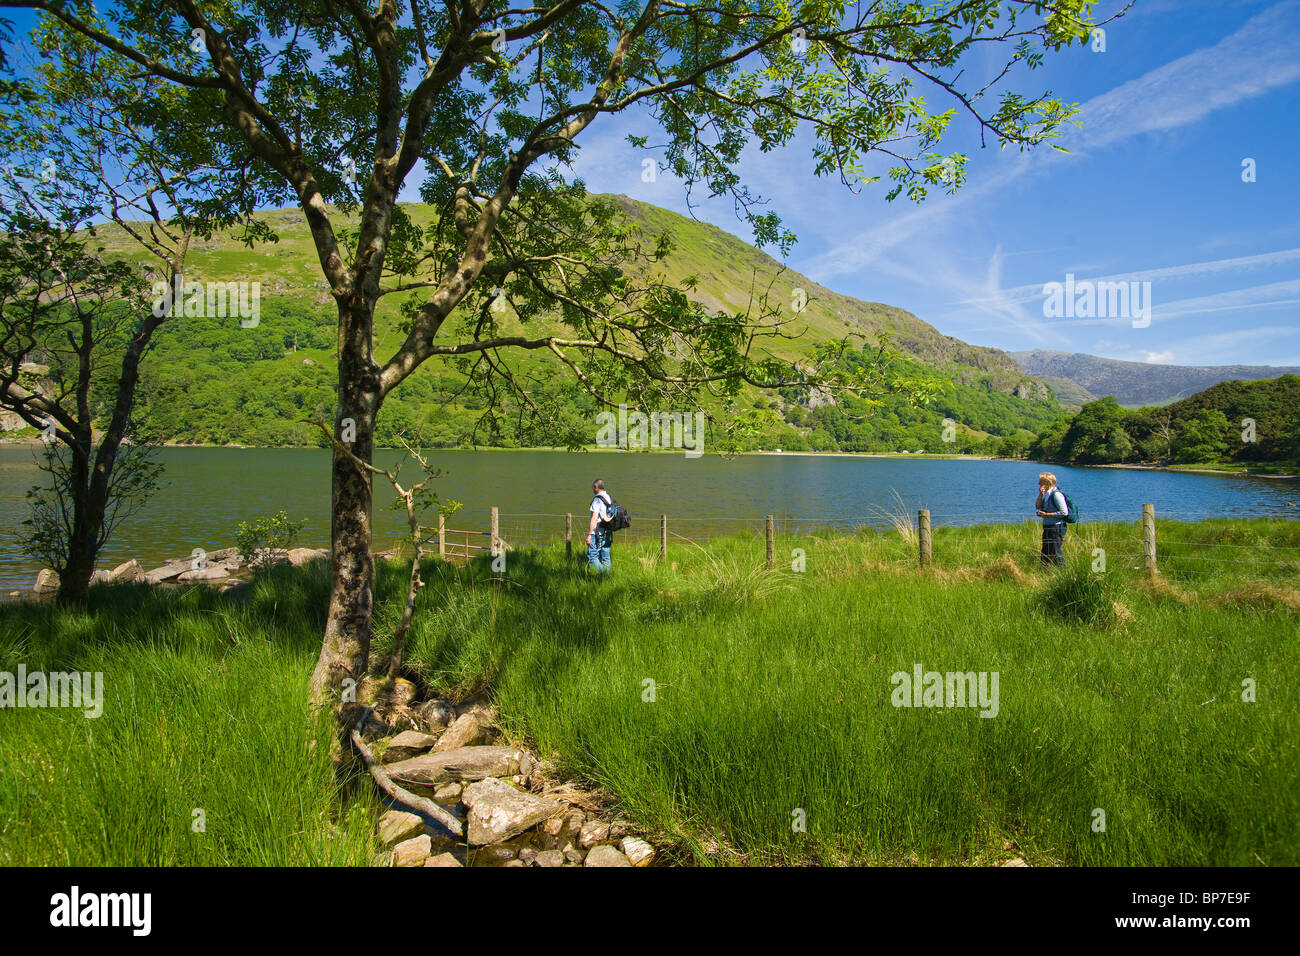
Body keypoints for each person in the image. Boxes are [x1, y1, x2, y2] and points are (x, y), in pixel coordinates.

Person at [1036, 472, 1069, 567]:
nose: (1038, 483)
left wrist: (1047, 515)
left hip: (1056, 527)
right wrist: (1040, 494)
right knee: (1045, 551)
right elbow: (1037, 506)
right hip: (1048, 526)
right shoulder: (1046, 494)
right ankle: (1044, 571)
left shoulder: (1056, 495)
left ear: (1047, 483)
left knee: (1055, 551)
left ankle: (1062, 571)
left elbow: (1064, 512)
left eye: (1041, 482)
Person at [586, 478, 613, 574]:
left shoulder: (597, 500)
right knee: (605, 553)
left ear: (595, 487)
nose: (593, 489)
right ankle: (608, 576)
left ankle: (604, 576)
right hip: (607, 530)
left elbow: (594, 517)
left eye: (593, 487)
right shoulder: (608, 497)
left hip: (597, 532)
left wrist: (589, 534)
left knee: (592, 555)